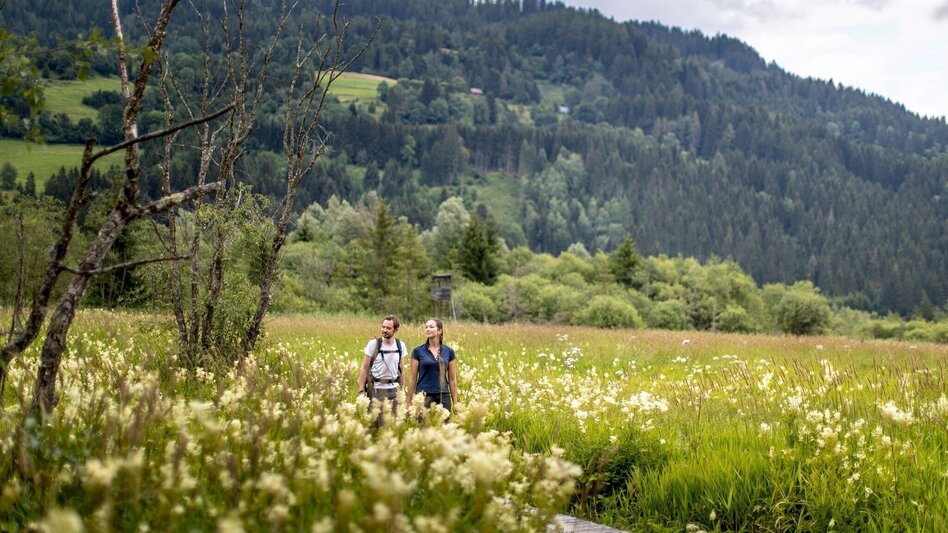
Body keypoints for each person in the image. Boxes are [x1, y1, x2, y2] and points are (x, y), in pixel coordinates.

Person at [357, 315, 408, 425]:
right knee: (375, 424)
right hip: (376, 389)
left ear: (396, 329)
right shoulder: (373, 344)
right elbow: (364, 368)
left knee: (394, 423)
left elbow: (402, 370)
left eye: (388, 328)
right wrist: (361, 390)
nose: (384, 330)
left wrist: (402, 390)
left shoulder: (400, 345)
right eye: (383, 327)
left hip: (394, 389)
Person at [407, 318, 458, 417]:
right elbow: (412, 378)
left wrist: (455, 403)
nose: (427, 329)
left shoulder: (449, 352)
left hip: (443, 395)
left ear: (439, 331)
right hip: (423, 395)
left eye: (431, 327)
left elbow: (452, 380)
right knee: (424, 428)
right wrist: (408, 402)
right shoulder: (418, 351)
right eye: (426, 327)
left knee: (444, 429)